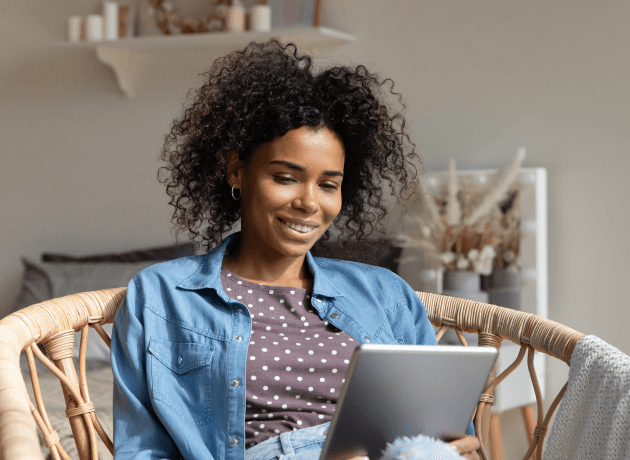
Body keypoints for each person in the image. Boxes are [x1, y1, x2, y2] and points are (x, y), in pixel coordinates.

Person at [111, 40, 480, 460]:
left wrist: (455, 449)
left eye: (328, 185)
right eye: (286, 178)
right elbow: (142, 451)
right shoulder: (163, 295)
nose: (309, 203)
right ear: (237, 169)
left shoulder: (385, 294)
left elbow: (447, 433)